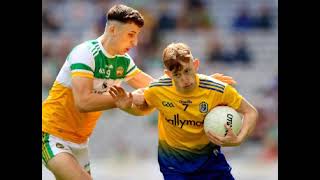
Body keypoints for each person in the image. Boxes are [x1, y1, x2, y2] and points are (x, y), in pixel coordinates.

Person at [42, 4, 237, 180]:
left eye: (137, 35)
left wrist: (203, 83)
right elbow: (83, 102)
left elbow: (160, 88)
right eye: (131, 34)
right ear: (112, 29)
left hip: (80, 141)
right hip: (50, 134)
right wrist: (128, 98)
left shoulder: (123, 61)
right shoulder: (85, 53)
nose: (135, 42)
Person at [109, 42, 258, 180]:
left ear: (196, 65)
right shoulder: (158, 89)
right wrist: (127, 107)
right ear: (168, 74)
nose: (184, 80)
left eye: (187, 71)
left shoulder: (217, 89)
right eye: (177, 75)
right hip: (173, 165)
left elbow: (250, 112)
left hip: (210, 163)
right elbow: (142, 107)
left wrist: (239, 139)